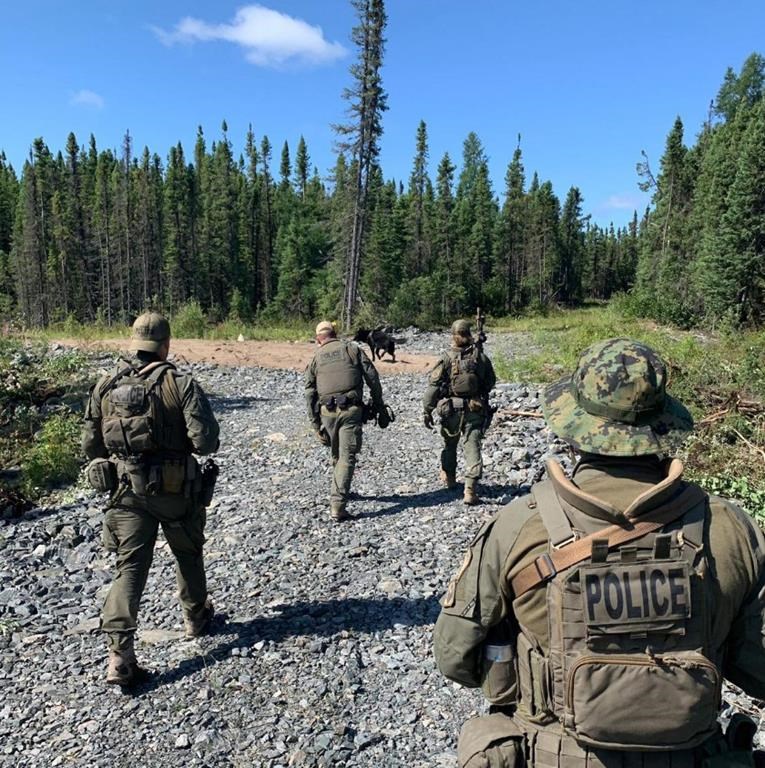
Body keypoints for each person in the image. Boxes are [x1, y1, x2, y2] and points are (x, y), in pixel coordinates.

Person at [433, 337, 765, 768]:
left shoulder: (517, 526)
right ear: (663, 425)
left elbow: (454, 657)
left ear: (572, 427)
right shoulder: (733, 530)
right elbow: (758, 670)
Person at [82, 312, 220, 686]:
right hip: (175, 491)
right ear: (166, 344)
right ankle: (195, 618)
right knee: (188, 553)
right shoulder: (180, 383)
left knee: (129, 570)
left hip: (126, 494)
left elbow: (90, 446)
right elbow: (206, 442)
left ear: (133, 342)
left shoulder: (105, 385)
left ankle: (120, 657)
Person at [304, 320, 386, 521]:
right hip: (350, 410)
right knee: (347, 456)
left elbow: (309, 393)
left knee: (337, 452)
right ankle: (338, 505)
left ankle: (341, 490)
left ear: (318, 339)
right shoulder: (352, 349)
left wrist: (316, 424)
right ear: (335, 333)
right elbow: (372, 378)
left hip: (327, 412)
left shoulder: (316, 358)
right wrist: (379, 405)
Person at [423, 318, 496, 505]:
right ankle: (470, 489)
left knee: (450, 444)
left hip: (451, 410)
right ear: (469, 334)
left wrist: (427, 410)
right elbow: (490, 382)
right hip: (474, 409)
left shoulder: (446, 358)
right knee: (473, 446)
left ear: (453, 336)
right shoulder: (480, 357)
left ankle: (449, 479)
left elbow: (433, 387)